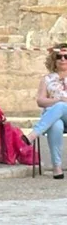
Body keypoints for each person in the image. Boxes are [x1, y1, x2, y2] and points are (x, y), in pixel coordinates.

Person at [29, 43, 67, 179]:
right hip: (53, 117)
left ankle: (34, 133)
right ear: (54, 59)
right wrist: (57, 101)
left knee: (62, 105)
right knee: (56, 125)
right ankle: (57, 167)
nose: (62, 59)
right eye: (59, 56)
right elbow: (40, 101)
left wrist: (62, 102)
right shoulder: (47, 79)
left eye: (66, 56)